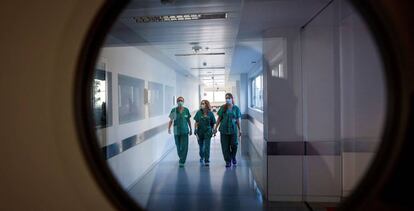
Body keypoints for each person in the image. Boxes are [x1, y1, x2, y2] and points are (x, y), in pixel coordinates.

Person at [213, 93, 242, 167]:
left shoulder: (236, 108)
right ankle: (228, 161)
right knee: (225, 146)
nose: (227, 99)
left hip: (233, 130)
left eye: (229, 98)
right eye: (226, 98)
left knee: (234, 145)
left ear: (232, 98)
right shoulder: (223, 107)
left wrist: (240, 129)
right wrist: (215, 128)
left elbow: (238, 120)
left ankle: (233, 156)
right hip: (224, 130)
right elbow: (219, 119)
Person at [168, 96, 192, 167]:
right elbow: (171, 120)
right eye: (178, 100)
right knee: (178, 146)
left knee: (184, 146)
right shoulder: (174, 110)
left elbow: (188, 120)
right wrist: (169, 128)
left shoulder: (186, 110)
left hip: (185, 130)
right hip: (176, 130)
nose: (180, 102)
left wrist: (191, 129)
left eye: (181, 100)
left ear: (183, 102)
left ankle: (182, 161)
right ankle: (181, 157)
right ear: (177, 102)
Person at [194, 100, 216, 166]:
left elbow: (213, 123)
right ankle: (202, 156)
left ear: (206, 104)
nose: (202, 105)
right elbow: (196, 122)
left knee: (207, 146)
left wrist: (213, 130)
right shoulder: (198, 113)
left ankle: (207, 159)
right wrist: (195, 129)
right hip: (200, 131)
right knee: (201, 146)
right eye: (201, 104)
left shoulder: (210, 113)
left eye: (203, 104)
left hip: (208, 131)